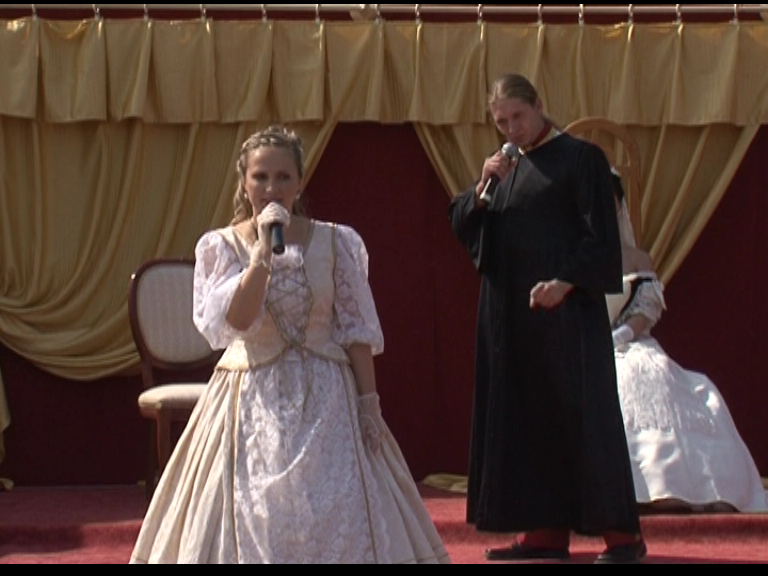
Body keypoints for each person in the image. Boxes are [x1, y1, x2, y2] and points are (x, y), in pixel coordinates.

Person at [130, 125, 451, 564]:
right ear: (244, 183)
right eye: (261, 177)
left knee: (336, 510)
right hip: (251, 393)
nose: (272, 187)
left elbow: (355, 331)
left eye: (283, 177)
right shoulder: (222, 246)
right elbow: (236, 322)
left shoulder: (337, 241)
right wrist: (261, 256)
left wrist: (369, 404)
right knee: (259, 511)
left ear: (300, 182)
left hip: (328, 396)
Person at [448, 73, 646, 564]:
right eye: (501, 122)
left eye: (518, 116)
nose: (511, 128)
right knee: (526, 420)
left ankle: (622, 538)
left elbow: (601, 238)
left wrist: (564, 281)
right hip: (511, 319)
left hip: (567, 316)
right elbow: (466, 225)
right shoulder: (506, 166)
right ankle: (544, 534)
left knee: (583, 421)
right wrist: (482, 187)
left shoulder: (582, 158)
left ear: (539, 105)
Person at [607, 172, 768, 514]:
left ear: (619, 206)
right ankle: (630, 489)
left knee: (658, 377)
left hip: (632, 342)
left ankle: (687, 487)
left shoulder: (637, 259)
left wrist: (622, 336)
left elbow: (646, 307)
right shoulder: (568, 258)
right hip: (586, 346)